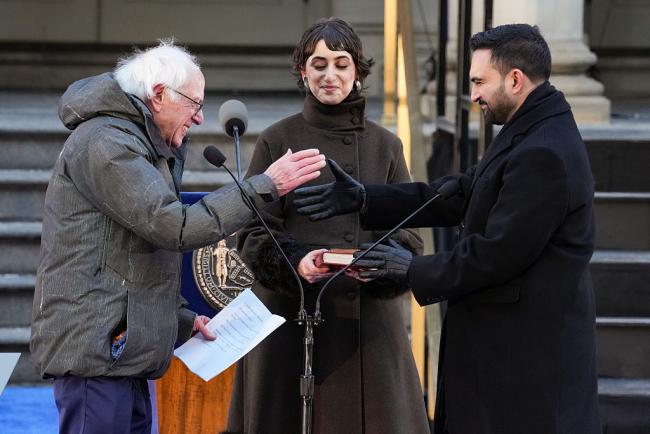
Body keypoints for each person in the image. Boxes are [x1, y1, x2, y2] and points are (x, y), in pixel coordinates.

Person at [294, 24, 601, 434]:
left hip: (524, 365)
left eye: (478, 82)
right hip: (505, 356)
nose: (473, 95)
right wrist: (366, 199)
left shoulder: (543, 150)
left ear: (515, 79)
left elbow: (496, 255)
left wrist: (410, 269)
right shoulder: (528, 128)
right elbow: (458, 193)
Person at [29, 40, 325, 434]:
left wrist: (180, 320)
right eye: (194, 103)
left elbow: (129, 255)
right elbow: (173, 227)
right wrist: (263, 186)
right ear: (157, 95)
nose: (199, 118)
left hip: (119, 353)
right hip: (96, 354)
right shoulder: (106, 142)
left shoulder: (136, 141)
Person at [224, 17, 429, 434]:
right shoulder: (277, 139)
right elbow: (252, 231)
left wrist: (376, 265)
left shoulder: (386, 145)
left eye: (341, 63)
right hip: (290, 314)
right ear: (303, 71)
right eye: (319, 64)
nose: (330, 75)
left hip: (366, 322)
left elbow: (409, 234)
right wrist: (298, 263)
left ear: (358, 71)